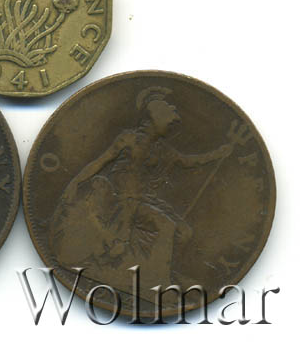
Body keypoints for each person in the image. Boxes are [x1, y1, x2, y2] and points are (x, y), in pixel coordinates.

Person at [50, 86, 233, 297]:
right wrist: (75, 182)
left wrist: (217, 155)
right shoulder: (127, 139)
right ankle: (151, 280)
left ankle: (155, 273)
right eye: (168, 118)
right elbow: (99, 163)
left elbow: (189, 162)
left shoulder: (162, 149)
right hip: (120, 202)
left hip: (142, 201)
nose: (172, 124)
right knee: (165, 227)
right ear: (153, 118)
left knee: (184, 233)